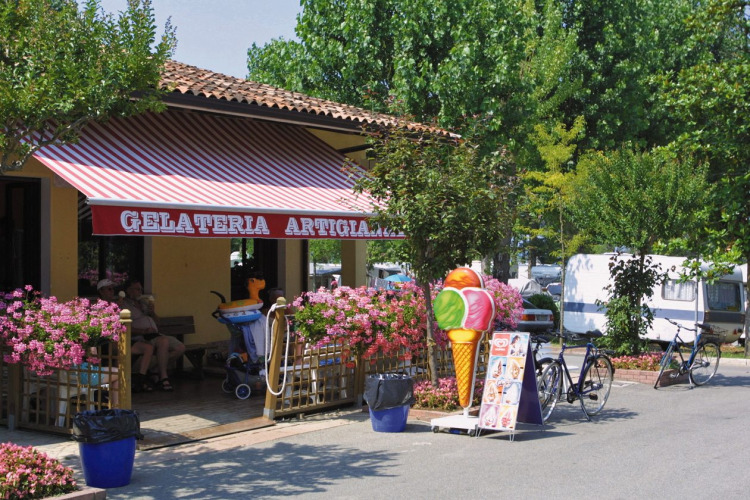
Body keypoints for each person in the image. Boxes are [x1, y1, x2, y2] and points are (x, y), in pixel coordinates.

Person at [121, 279, 185, 392]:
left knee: (180, 348)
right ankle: (163, 377)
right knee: (163, 341)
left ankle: (155, 370)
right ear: (128, 290)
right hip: (143, 337)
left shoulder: (144, 303)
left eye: (141, 289)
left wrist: (152, 313)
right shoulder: (124, 305)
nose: (140, 292)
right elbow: (124, 326)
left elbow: (158, 323)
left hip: (156, 334)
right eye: (137, 289)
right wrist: (143, 331)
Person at [96, 279, 155, 393]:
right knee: (121, 350)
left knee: (148, 347)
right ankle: (119, 384)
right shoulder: (97, 307)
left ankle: (140, 379)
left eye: (113, 289)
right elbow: (103, 326)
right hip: (105, 342)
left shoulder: (117, 305)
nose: (112, 291)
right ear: (101, 291)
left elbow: (124, 325)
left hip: (121, 340)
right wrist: (112, 311)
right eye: (109, 289)